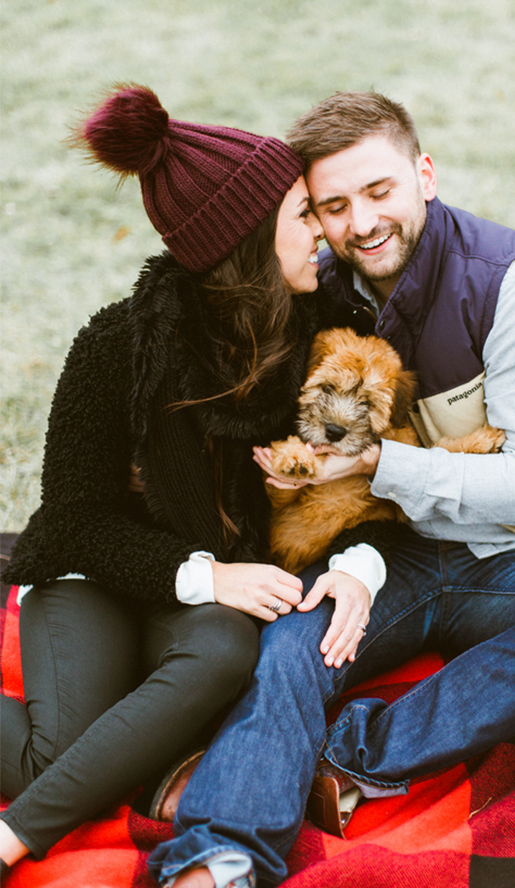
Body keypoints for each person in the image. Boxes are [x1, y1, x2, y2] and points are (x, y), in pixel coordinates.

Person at [147, 91, 515, 888]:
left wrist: (377, 464)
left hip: (514, 550)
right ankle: (217, 855)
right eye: (334, 206)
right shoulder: (328, 289)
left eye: (379, 192)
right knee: (291, 643)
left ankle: (343, 758)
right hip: (386, 547)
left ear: (424, 175)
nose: (362, 223)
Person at [0, 85, 384, 881]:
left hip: (204, 607)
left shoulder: (321, 331)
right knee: (56, 753)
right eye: (303, 217)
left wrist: (343, 566)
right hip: (96, 578)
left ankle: (133, 773)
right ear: (245, 242)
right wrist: (205, 574)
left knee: (226, 656)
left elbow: (364, 471)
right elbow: (72, 521)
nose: (322, 232)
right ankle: (22, 832)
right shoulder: (117, 347)